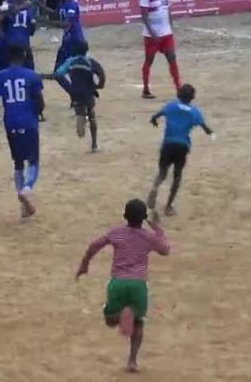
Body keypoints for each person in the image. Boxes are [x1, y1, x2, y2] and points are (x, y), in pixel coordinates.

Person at [74, 199, 171, 373]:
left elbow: (94, 244)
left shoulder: (116, 232)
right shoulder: (148, 237)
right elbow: (165, 250)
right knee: (139, 324)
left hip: (118, 282)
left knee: (110, 321)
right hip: (138, 284)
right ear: (143, 219)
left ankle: (117, 315)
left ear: (125, 216)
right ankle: (132, 360)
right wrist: (158, 228)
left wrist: (84, 264)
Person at [0, 45, 45, 218]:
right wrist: (38, 113)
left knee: (18, 163)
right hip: (29, 123)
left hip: (10, 123)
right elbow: (40, 102)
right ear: (24, 56)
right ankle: (26, 189)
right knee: (33, 161)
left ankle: (22, 204)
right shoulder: (32, 76)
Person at [148, 83, 214, 216]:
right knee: (177, 176)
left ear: (178, 94)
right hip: (182, 146)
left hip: (168, 143)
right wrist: (211, 134)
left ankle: (155, 188)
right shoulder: (194, 112)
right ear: (192, 97)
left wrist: (154, 119)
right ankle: (169, 206)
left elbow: (157, 115)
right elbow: (204, 127)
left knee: (162, 172)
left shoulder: (171, 106)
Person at [43, 41, 106, 152]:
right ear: (87, 50)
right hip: (89, 92)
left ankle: (81, 116)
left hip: (76, 93)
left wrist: (44, 76)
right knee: (92, 115)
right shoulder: (91, 62)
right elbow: (101, 73)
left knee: (80, 110)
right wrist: (99, 86)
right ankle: (94, 144)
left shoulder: (71, 62)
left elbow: (58, 73)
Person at [2, 0, 37, 70]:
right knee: (29, 72)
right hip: (24, 43)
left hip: (8, 43)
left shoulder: (6, 5)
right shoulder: (28, 8)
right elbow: (32, 30)